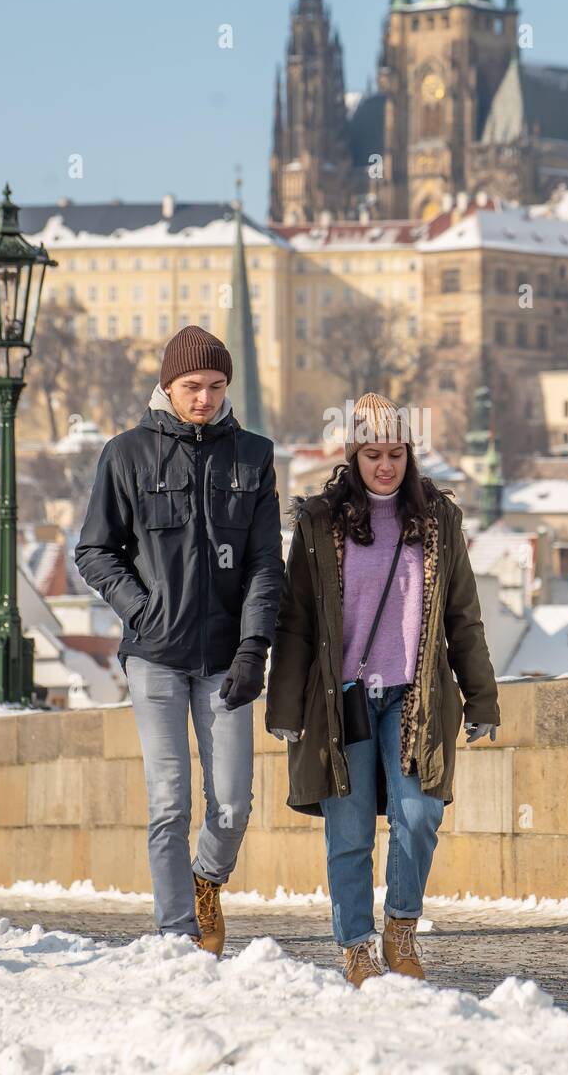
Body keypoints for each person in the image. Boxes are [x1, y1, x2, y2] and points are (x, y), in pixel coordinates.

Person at [266, 392, 499, 986]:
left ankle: (400, 926)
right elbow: (295, 622)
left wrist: (482, 700)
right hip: (340, 701)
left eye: (396, 453)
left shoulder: (438, 520)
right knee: (348, 832)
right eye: (374, 453)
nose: (386, 465)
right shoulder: (319, 522)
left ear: (409, 454)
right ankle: (355, 946)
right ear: (354, 455)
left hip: (414, 695)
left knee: (418, 814)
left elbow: (462, 617)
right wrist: (285, 705)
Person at [75, 326, 283, 954]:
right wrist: (140, 609)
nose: (205, 399)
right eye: (193, 387)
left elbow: (265, 564)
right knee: (168, 801)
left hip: (226, 659)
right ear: (167, 386)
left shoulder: (253, 455)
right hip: (155, 656)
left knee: (232, 806)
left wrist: (254, 647)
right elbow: (94, 550)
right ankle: (176, 933)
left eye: (217, 387)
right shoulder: (126, 454)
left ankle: (206, 881)